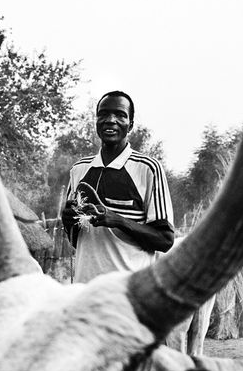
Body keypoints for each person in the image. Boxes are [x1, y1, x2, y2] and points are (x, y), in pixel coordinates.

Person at [60, 91, 175, 284]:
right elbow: (75, 239)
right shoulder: (79, 169)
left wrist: (118, 220)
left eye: (120, 115)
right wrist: (68, 219)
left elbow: (165, 240)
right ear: (96, 121)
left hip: (128, 296)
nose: (110, 120)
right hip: (84, 292)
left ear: (130, 124)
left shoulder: (148, 169)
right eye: (103, 114)